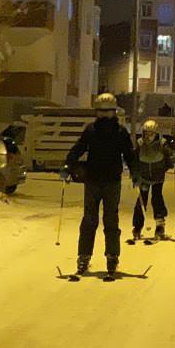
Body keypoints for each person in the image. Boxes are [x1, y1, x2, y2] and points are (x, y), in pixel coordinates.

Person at [64, 92, 139, 277]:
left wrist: (136, 172)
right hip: (94, 180)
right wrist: (68, 165)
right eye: (101, 112)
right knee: (91, 219)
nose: (105, 115)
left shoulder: (120, 132)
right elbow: (79, 148)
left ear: (114, 112)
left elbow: (129, 154)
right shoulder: (91, 130)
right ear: (96, 112)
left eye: (108, 112)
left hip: (111, 181)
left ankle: (111, 256)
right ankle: (84, 256)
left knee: (109, 219)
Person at [132, 119, 174, 241]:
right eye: (146, 133)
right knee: (141, 200)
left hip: (157, 177)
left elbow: (168, 157)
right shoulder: (140, 144)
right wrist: (134, 173)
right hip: (143, 177)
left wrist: (169, 162)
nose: (148, 136)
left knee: (157, 198)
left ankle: (160, 225)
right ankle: (137, 227)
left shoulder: (161, 143)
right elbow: (134, 159)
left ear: (155, 133)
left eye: (150, 133)